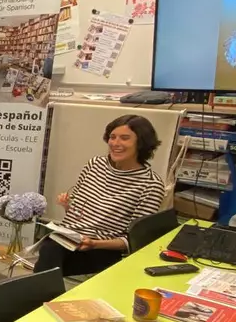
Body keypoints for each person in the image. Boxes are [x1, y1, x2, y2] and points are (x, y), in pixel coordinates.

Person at [34, 114, 165, 277]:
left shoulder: (151, 184)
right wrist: (68, 207)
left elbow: (133, 240)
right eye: (112, 137)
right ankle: (42, 290)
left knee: (50, 258)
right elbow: (78, 215)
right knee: (51, 248)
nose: (115, 143)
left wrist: (95, 244)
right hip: (69, 238)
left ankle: (40, 290)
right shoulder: (95, 164)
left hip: (103, 249)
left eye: (125, 138)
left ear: (141, 143)